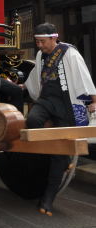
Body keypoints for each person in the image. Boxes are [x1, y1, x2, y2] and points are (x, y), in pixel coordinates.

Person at [25, 23, 96, 215]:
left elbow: (84, 78)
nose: (39, 45)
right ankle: (62, 159)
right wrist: (20, 86)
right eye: (37, 41)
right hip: (47, 101)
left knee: (59, 154)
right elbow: (34, 78)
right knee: (32, 121)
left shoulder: (69, 53)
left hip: (67, 104)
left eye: (42, 41)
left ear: (53, 38)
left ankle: (48, 199)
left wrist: (94, 102)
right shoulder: (40, 55)